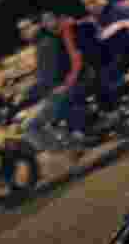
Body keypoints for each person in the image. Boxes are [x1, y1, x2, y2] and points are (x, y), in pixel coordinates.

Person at [13, 12, 91, 150]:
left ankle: (66, 152)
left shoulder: (45, 44)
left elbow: (46, 79)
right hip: (66, 84)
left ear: (37, 25)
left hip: (64, 87)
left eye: (26, 27)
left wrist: (25, 95)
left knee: (29, 126)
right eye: (21, 30)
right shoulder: (43, 43)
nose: (23, 32)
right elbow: (44, 72)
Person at [78, 0, 129, 114]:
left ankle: (113, 112)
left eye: (93, 1)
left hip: (127, 55)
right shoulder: (105, 14)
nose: (91, 6)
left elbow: (103, 35)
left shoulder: (115, 11)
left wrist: (118, 25)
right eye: (87, 4)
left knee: (100, 81)